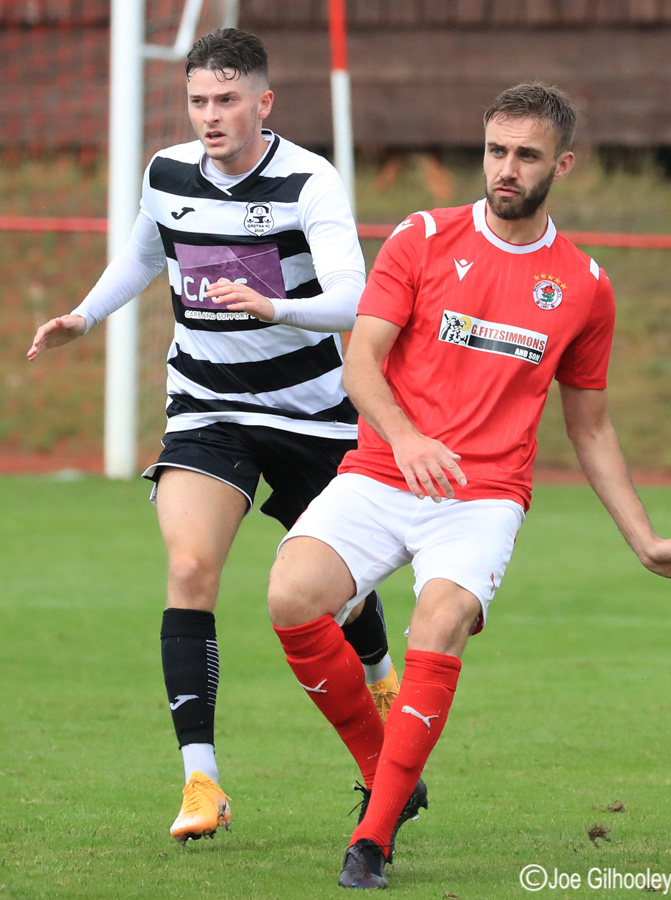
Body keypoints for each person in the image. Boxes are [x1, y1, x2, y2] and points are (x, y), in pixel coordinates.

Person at [266, 82, 671, 889]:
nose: (506, 169)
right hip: (382, 469)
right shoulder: (423, 237)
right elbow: (361, 362)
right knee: (290, 595)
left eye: (527, 155)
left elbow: (591, 428)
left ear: (563, 165)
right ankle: (388, 768)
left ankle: (372, 841)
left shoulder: (584, 285)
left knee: (436, 625)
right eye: (496, 150)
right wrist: (406, 438)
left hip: (483, 497)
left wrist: (644, 539)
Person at [27, 28, 404, 846]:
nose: (210, 115)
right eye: (199, 100)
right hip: (206, 407)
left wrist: (278, 308)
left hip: (312, 412)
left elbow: (355, 296)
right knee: (191, 566)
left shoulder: (310, 179)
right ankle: (203, 781)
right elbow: (144, 253)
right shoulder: (166, 172)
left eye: (227, 100)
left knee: (339, 591)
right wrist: (84, 317)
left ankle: (379, 681)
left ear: (263, 103)